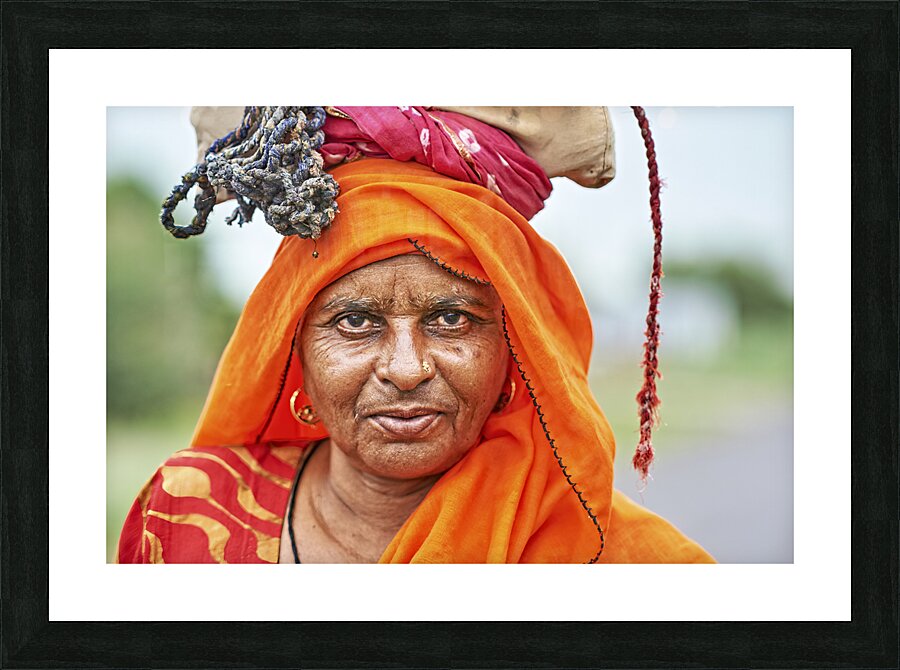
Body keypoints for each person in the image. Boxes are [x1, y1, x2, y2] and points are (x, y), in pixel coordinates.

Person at [117, 106, 714, 564]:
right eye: (355, 321)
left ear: (514, 351)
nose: (406, 370)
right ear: (295, 350)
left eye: (452, 318)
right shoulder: (184, 514)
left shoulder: (629, 566)